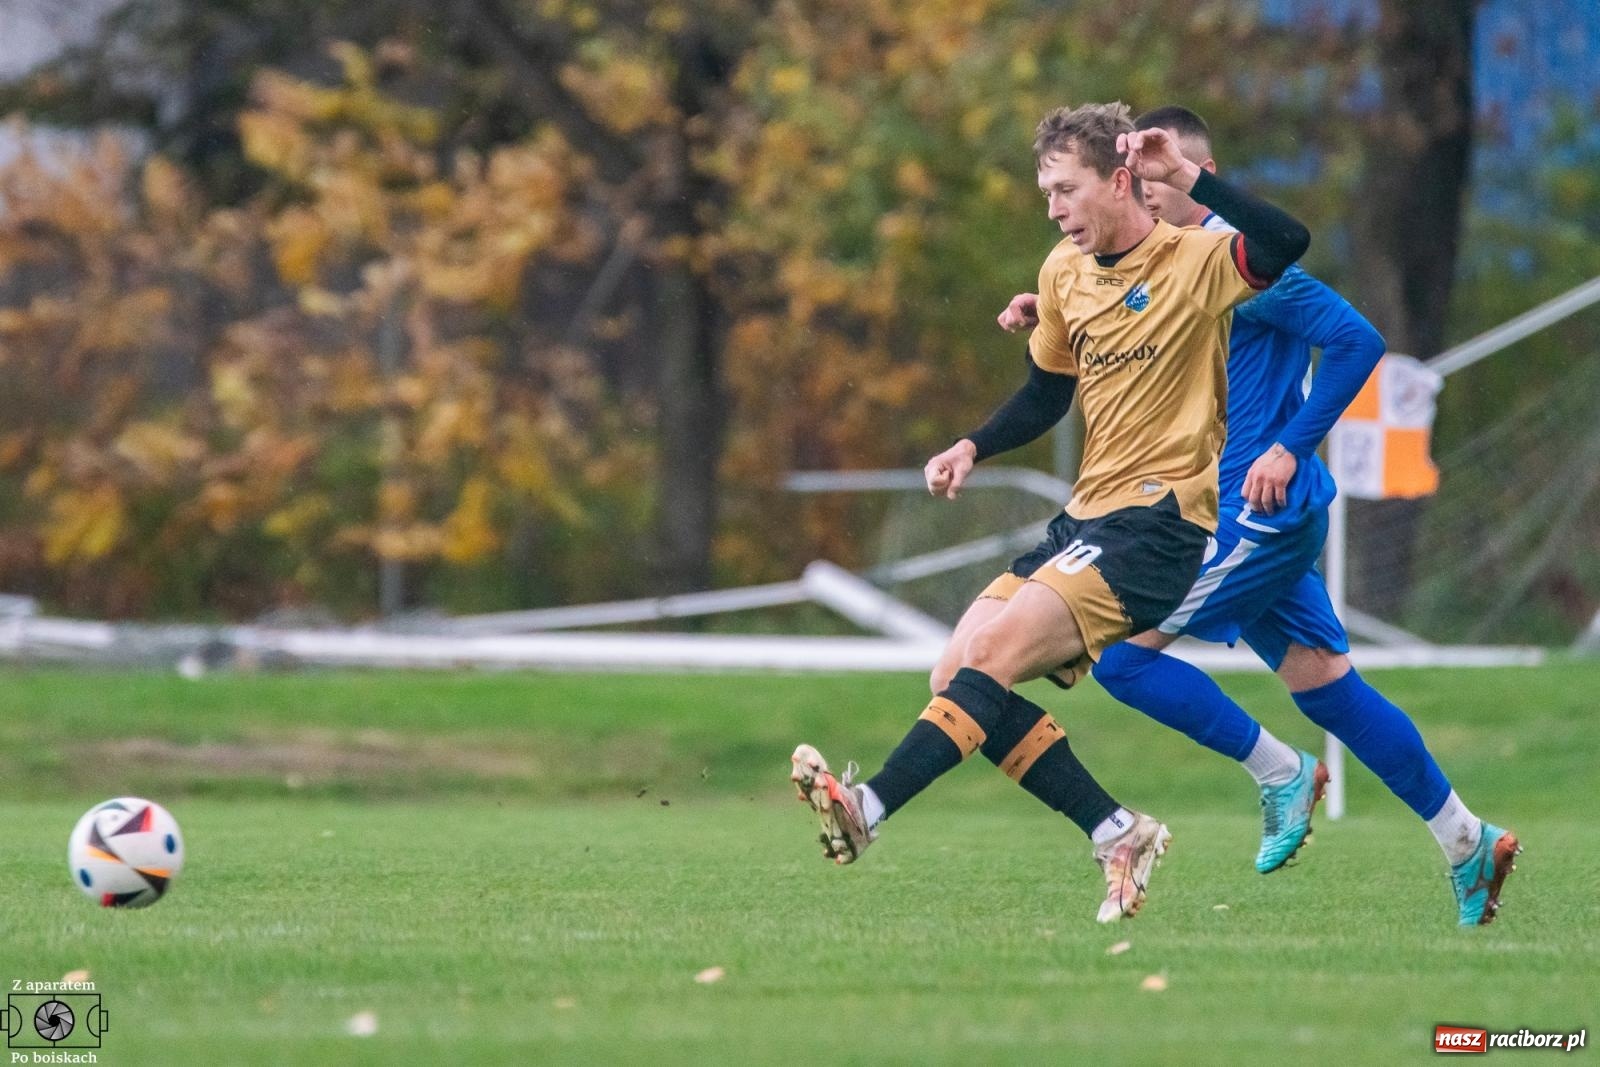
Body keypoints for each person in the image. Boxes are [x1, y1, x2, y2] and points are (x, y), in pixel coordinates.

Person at [988, 105, 1518, 926]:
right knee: (1327, 687)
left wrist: (1291, 446)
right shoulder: (1162, 265)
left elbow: (1356, 340)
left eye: (1157, 178)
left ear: (1191, 176)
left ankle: (1282, 772)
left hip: (1255, 513)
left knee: (1122, 658)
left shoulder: (1236, 261)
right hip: (1223, 513)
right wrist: (1050, 310)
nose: (1142, 193)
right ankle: (1466, 838)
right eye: (1137, 179)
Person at [789, 101, 1310, 923]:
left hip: (1159, 524)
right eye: (1046, 194)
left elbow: (1286, 242)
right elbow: (1046, 391)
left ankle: (869, 807)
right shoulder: (1064, 271)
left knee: (991, 654)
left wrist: (1188, 175)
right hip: (1087, 520)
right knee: (956, 674)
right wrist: (973, 444)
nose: (1054, 209)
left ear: (1119, 181)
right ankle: (1116, 830)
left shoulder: (1193, 260)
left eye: (1066, 190)